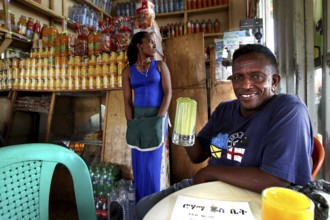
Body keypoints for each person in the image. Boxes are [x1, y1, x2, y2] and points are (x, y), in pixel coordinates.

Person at [136, 44, 313, 218]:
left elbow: (275, 179)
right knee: (142, 207)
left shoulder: (288, 109)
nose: (246, 85)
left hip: (254, 198)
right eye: (237, 77)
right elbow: (198, 155)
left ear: (274, 81)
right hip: (210, 188)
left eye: (256, 76)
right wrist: (185, 132)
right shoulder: (225, 110)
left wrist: (209, 172)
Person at [122, 31, 172, 202]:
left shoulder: (160, 66)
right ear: (139, 45)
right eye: (150, 42)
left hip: (157, 118)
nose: (154, 45)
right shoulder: (128, 72)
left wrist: (159, 119)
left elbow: (168, 94)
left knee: (152, 164)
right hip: (138, 120)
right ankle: (140, 205)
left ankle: (153, 203)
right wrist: (131, 124)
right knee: (139, 165)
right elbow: (127, 101)